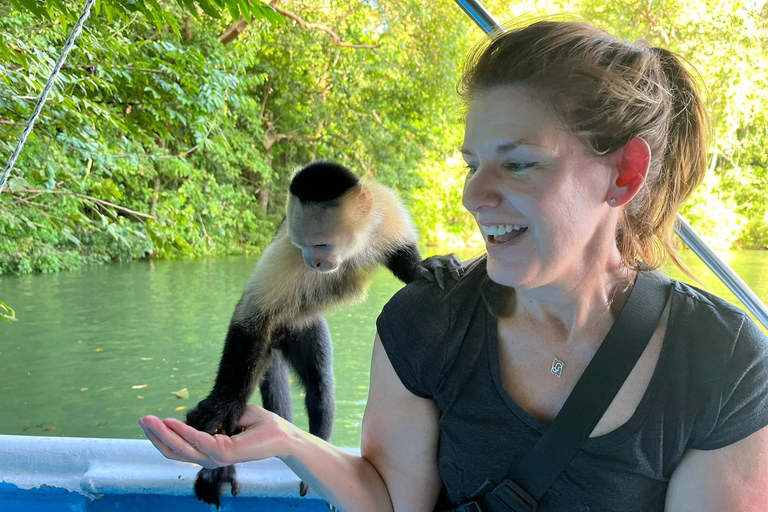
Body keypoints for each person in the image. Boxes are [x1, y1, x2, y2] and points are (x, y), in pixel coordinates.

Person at [139, 19, 768, 511]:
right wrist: (286, 437)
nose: (472, 195)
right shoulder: (427, 319)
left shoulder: (722, 360)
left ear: (624, 173)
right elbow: (390, 501)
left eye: (518, 163)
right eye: (472, 164)